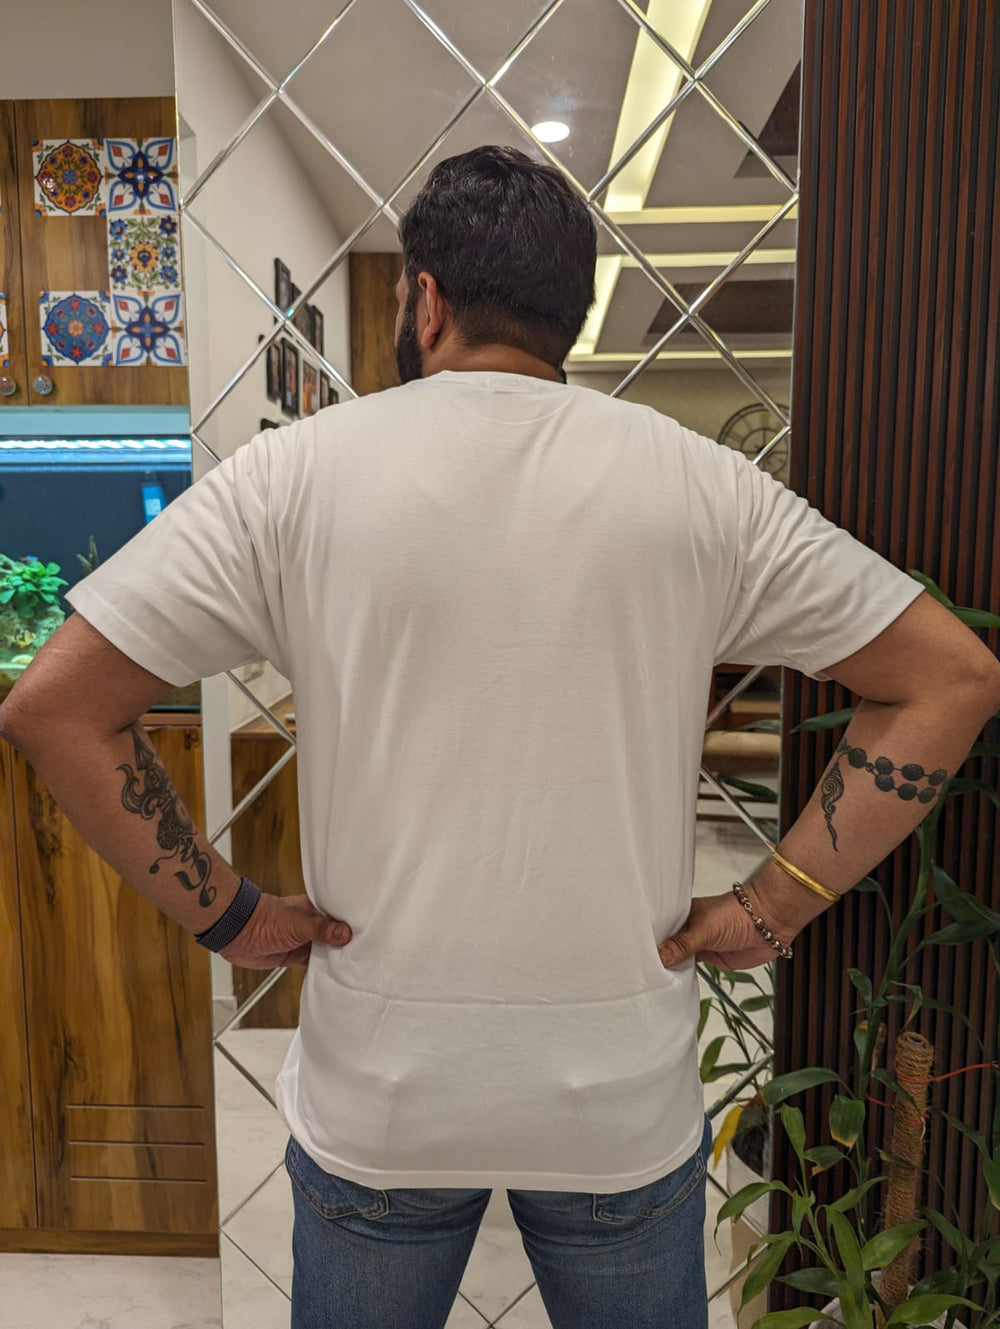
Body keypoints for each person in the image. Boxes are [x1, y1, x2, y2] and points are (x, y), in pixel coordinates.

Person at [1, 144, 998, 1329]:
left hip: (382, 1097)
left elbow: (52, 705)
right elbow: (951, 678)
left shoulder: (291, 478)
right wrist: (774, 903)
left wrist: (230, 916)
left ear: (425, 299)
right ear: (568, 312)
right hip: (616, 1101)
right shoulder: (702, 488)